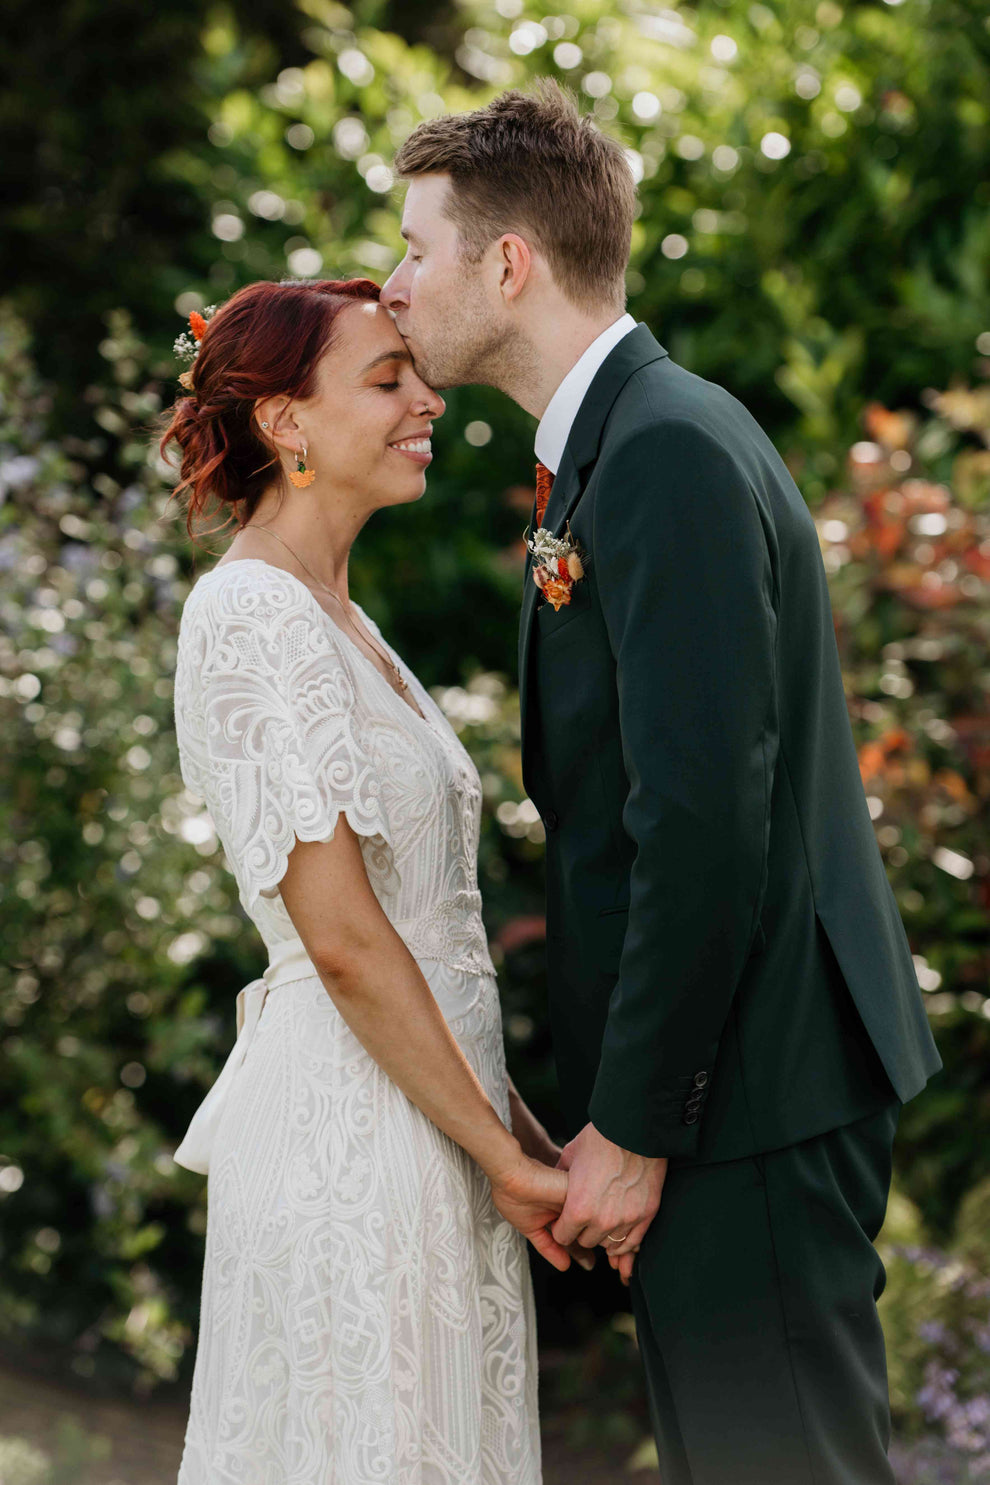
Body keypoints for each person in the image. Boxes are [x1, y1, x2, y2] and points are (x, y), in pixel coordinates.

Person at [380, 79, 944, 1484]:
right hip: (733, 1089)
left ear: (506, 263)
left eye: (411, 249)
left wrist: (634, 1123)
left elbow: (697, 822)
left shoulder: (666, 454)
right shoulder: (622, 446)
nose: (391, 288)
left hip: (743, 1094)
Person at [160, 276, 593, 1484]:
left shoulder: (345, 619)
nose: (430, 401)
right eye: (387, 379)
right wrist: (505, 1162)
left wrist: (520, 1142)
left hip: (440, 1129)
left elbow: (426, 929)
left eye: (420, 373)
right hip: (350, 1139)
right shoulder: (248, 614)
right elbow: (344, 938)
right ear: (284, 422)